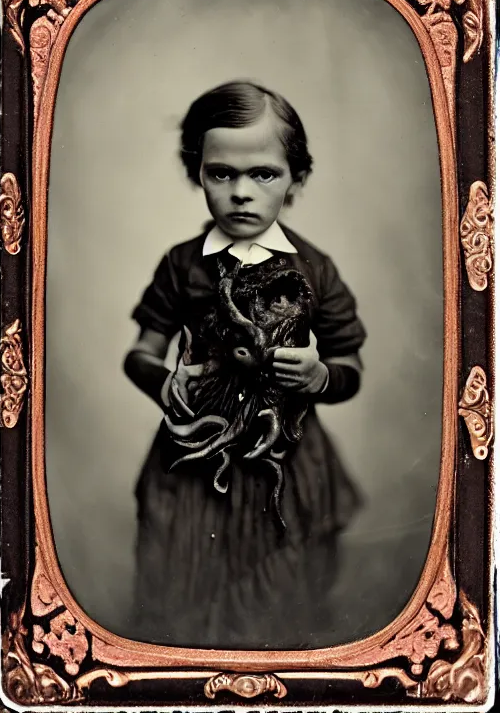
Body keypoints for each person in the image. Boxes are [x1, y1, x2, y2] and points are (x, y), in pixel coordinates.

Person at [124, 81, 366, 649]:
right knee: (181, 598)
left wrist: (321, 375)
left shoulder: (316, 269)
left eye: (263, 174)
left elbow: (349, 363)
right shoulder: (181, 266)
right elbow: (139, 354)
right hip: (191, 466)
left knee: (280, 607)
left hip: (285, 464)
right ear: (197, 173)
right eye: (221, 173)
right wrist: (166, 383)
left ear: (296, 178)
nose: (240, 193)